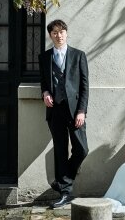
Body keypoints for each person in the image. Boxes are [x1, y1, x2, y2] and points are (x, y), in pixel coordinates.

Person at [40, 19, 89, 208]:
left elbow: (84, 86)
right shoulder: (44, 57)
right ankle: (65, 193)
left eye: (61, 32)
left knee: (82, 149)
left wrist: (82, 111)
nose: (58, 35)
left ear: (66, 33)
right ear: (50, 35)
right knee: (60, 151)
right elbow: (44, 81)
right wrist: (45, 92)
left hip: (75, 111)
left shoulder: (78, 55)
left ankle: (62, 181)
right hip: (55, 111)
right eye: (54, 33)